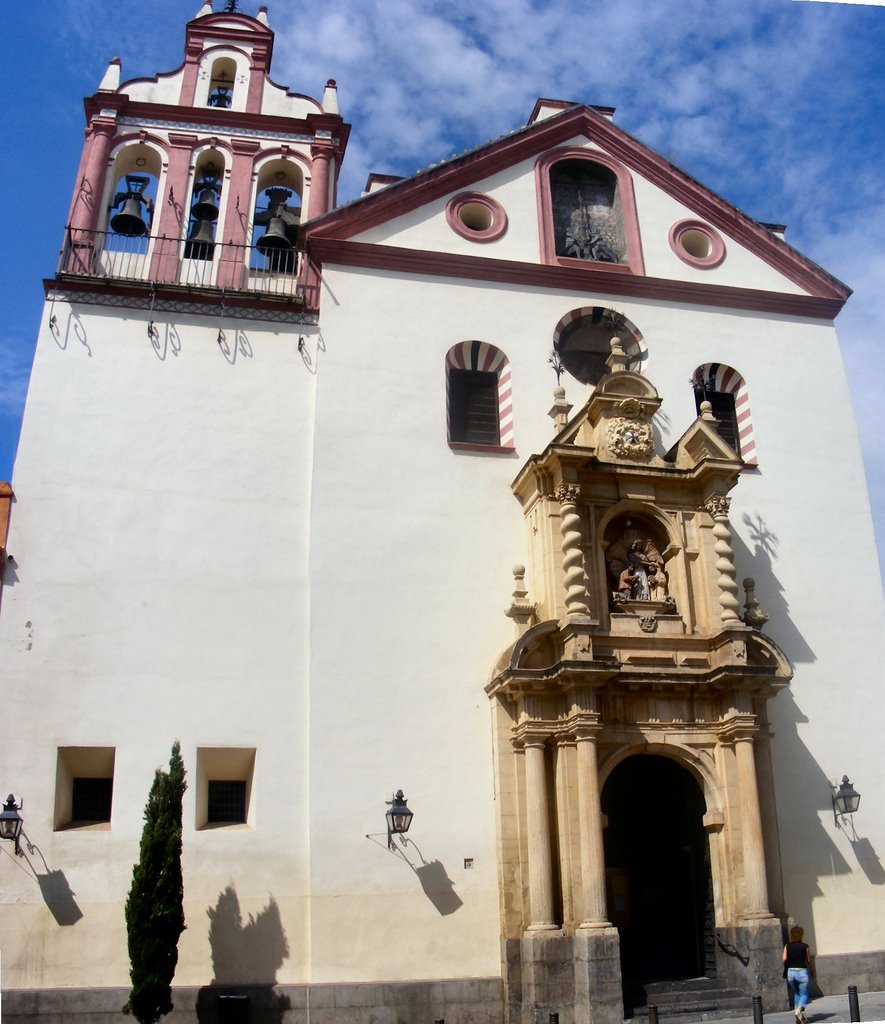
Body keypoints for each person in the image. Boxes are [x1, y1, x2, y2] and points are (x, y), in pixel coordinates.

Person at [783, 925, 813, 1023]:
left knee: (796, 993)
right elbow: (808, 960)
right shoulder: (805, 946)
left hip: (791, 972)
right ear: (801, 935)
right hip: (802, 972)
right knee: (804, 994)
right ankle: (799, 1010)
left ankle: (798, 1019)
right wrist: (812, 971)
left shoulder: (787, 946)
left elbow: (784, 958)